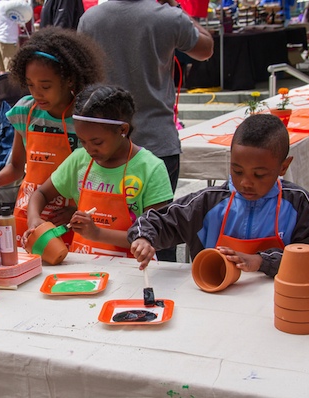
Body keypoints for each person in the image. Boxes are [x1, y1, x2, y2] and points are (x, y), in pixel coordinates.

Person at [78, 0, 214, 261]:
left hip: (104, 143)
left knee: (108, 231)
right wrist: (178, 8)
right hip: (157, 143)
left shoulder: (90, 19)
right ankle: (163, 299)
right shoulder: (169, 16)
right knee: (160, 236)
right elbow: (205, 48)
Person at [128, 114, 309, 277]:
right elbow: (155, 221)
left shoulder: (298, 203)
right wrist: (144, 238)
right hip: (214, 299)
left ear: (283, 166)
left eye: (259, 174)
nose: (246, 183)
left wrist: (260, 261)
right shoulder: (207, 202)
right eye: (237, 170)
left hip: (276, 302)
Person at [0, 27, 105, 244]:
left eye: (45, 86)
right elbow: (16, 167)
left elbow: (98, 176)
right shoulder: (24, 112)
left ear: (69, 80)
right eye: (30, 85)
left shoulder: (84, 118)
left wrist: (77, 210)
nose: (37, 93)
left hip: (69, 219)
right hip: (28, 213)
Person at [22, 84, 173, 257]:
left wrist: (98, 234)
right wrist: (34, 219)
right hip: (84, 268)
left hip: (132, 270)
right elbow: (40, 193)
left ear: (123, 130)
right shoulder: (79, 161)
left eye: (97, 142)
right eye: (83, 141)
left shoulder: (150, 169)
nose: (89, 149)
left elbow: (157, 234)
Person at [0, 0, 20, 74]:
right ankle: (10, 86)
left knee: (2, 70)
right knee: (11, 68)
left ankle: (3, 85)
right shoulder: (9, 5)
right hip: (8, 39)